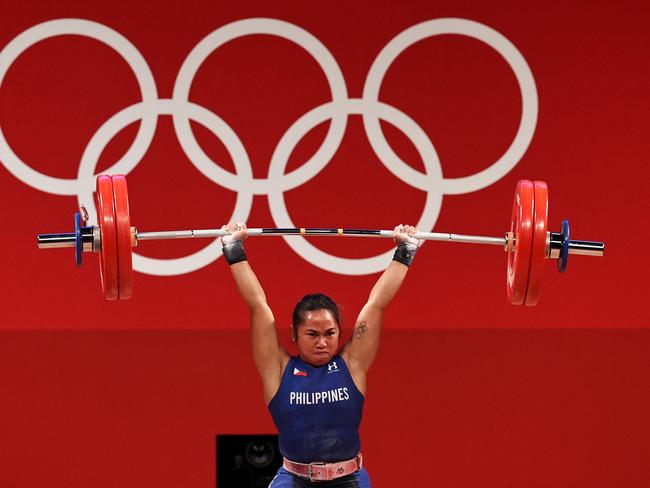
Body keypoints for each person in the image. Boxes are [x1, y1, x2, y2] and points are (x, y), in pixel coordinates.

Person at [220, 223, 422, 487]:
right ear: (294, 333)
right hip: (294, 480)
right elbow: (258, 305)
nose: (323, 342)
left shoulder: (353, 364)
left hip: (349, 480)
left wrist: (405, 250)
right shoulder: (278, 370)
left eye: (330, 333)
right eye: (312, 334)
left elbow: (376, 303)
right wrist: (234, 250)